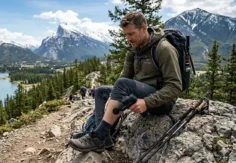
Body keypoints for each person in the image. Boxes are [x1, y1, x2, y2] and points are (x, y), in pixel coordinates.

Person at [68, 11, 182, 153]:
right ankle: (102, 136)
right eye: (126, 35)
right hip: (141, 94)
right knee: (101, 91)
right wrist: (112, 97)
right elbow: (124, 77)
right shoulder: (134, 50)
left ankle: (98, 136)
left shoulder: (164, 49)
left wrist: (146, 102)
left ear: (144, 28)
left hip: (162, 102)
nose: (128, 38)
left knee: (123, 84)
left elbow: (175, 87)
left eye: (131, 34)